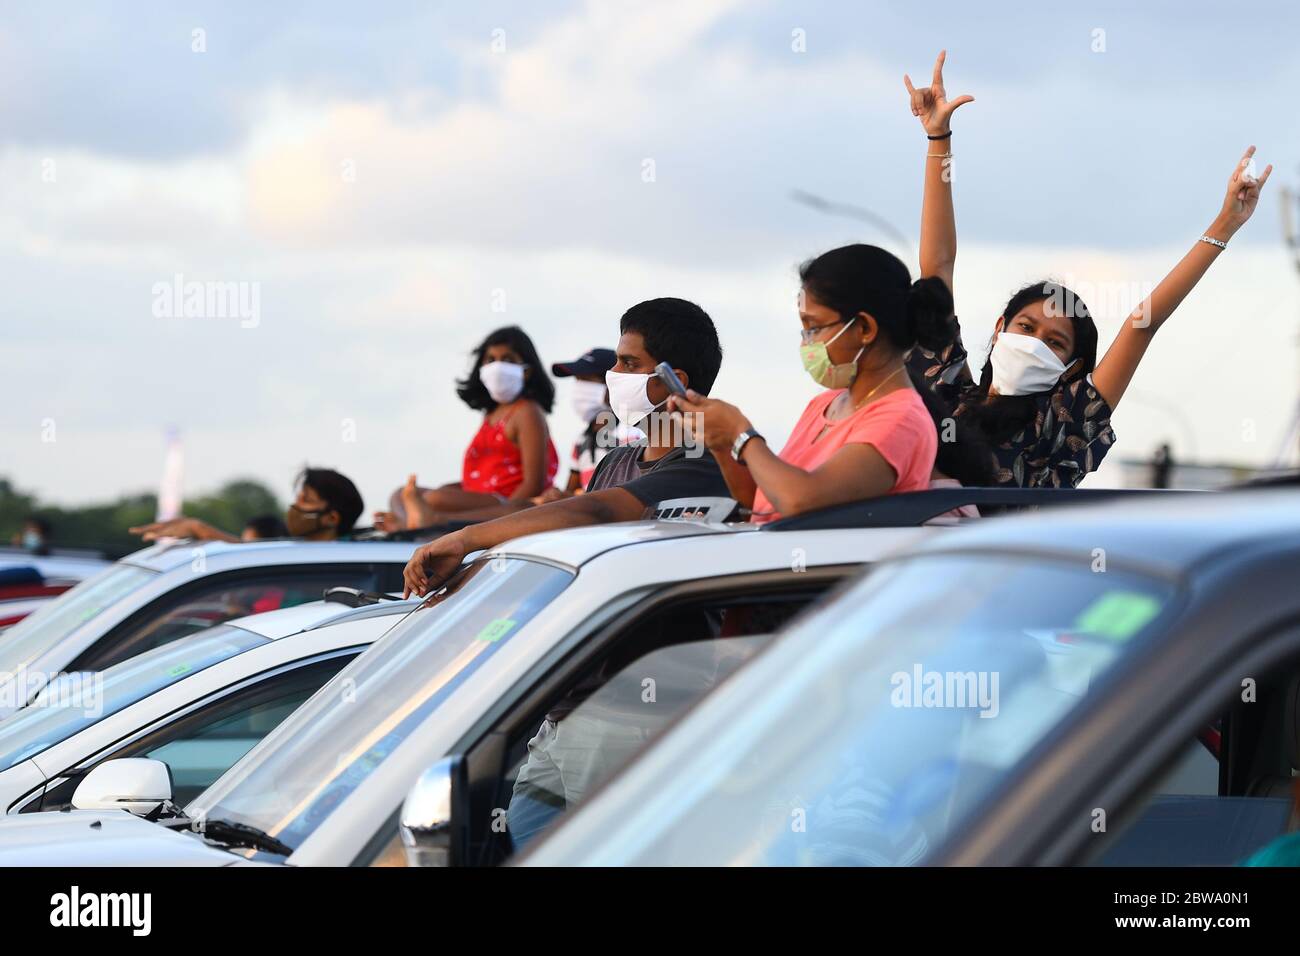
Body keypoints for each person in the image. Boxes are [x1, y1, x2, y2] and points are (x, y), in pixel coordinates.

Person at [903, 50, 1272, 488]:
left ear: (1071, 369)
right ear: (1000, 326)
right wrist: (938, 139)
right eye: (1026, 326)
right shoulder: (947, 394)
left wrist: (1225, 224)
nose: (1034, 342)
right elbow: (937, 268)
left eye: (1054, 342)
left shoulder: (1063, 426)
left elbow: (1142, 324)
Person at [402, 297, 727, 598]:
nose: (613, 375)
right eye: (616, 362)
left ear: (676, 381)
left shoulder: (703, 461)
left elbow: (594, 511)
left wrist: (465, 539)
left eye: (629, 364)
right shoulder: (615, 460)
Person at [668, 244, 945, 523]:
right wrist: (722, 442)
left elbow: (801, 501)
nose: (805, 342)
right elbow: (763, 502)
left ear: (864, 328)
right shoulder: (825, 403)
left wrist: (742, 433)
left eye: (814, 328)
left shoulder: (902, 420)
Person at [375, 326, 559, 531]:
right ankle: (412, 522)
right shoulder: (491, 414)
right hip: (483, 499)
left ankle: (428, 520)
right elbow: (483, 476)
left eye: (508, 359)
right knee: (400, 493)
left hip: (510, 503)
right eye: (491, 359)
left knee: (435, 498)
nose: (498, 366)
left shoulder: (527, 412)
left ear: (527, 371)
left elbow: (534, 484)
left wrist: (508, 512)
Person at [130, 467, 364, 543]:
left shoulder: (339, 560)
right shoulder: (300, 551)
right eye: (298, 498)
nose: (295, 507)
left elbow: (255, 558)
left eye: (307, 501)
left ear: (331, 518)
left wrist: (201, 530)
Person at [549, 346, 643, 498]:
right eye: (577, 380)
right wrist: (556, 495)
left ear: (610, 384)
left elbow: (631, 488)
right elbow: (572, 490)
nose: (578, 388)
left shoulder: (631, 432)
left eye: (585, 380)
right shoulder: (581, 440)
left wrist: (575, 499)